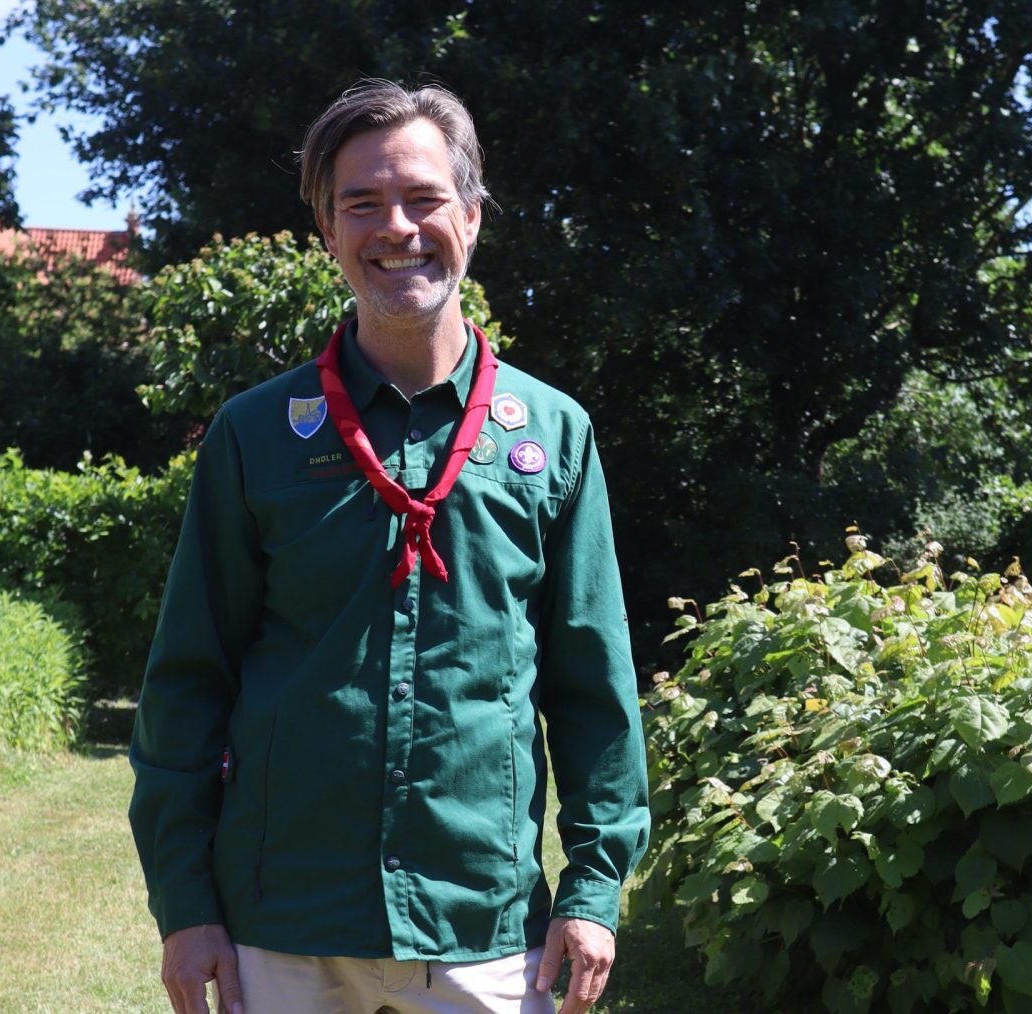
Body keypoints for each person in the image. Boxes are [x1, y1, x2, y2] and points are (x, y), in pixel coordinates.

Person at [128, 80, 649, 1014]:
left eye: (423, 198)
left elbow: (593, 690)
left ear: (472, 217)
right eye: (361, 203)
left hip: (485, 931)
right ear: (329, 231)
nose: (396, 228)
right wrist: (185, 905)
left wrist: (593, 889)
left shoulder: (554, 435)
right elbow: (188, 681)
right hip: (281, 925)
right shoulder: (254, 435)